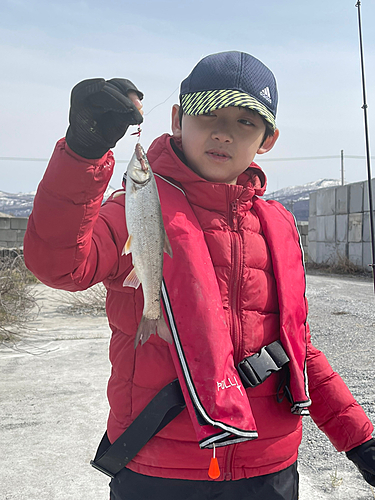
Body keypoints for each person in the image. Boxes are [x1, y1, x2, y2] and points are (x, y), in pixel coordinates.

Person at [24, 51, 375, 500]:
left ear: (268, 139)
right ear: (176, 118)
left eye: (246, 122)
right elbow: (59, 266)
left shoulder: (279, 225)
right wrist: (82, 153)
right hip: (157, 469)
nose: (223, 132)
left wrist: (359, 438)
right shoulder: (137, 204)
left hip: (269, 470)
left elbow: (297, 348)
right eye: (207, 113)